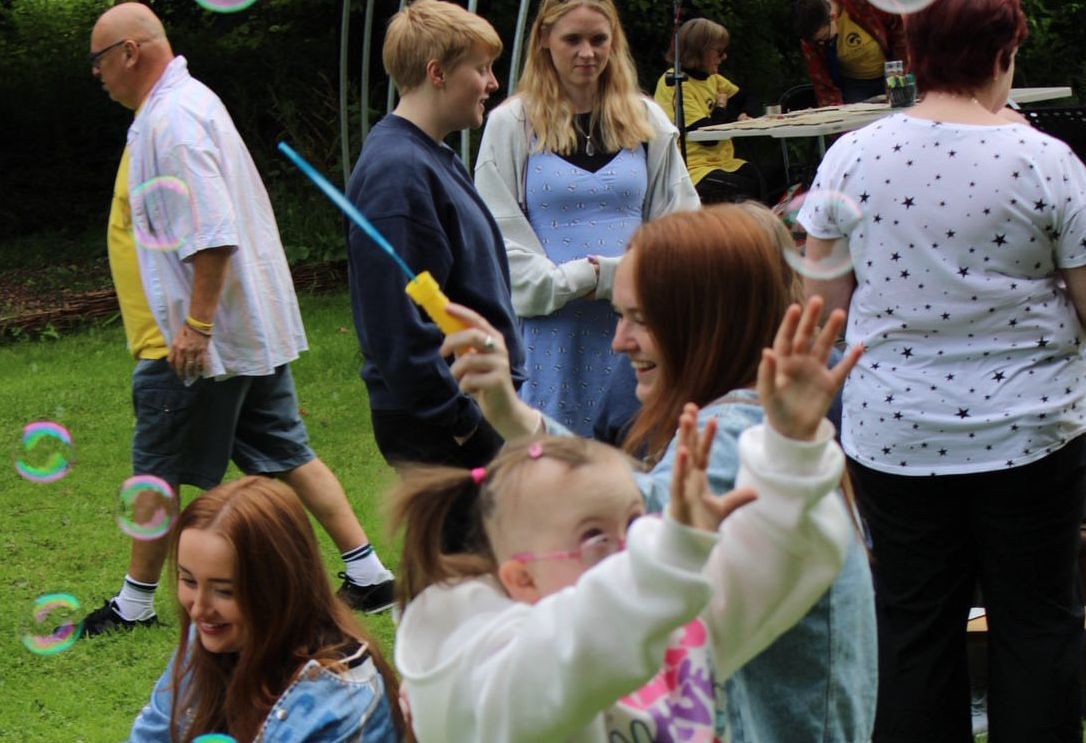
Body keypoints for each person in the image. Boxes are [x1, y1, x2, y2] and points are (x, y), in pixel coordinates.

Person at [441, 203, 878, 742]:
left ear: (708, 325)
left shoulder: (736, 436)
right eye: (621, 315)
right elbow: (636, 501)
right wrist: (512, 413)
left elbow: (638, 538)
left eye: (642, 320)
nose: (618, 341)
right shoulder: (747, 424)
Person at [798, 0, 1086, 739]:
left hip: (895, 435)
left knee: (914, 631)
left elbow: (820, 309)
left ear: (915, 55)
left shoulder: (850, 158)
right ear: (1004, 54)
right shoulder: (1048, 162)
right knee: (1038, 624)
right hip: (1033, 433)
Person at [84, 2, 394, 635]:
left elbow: (213, 230)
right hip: (240, 337)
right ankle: (369, 574)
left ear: (129, 53)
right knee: (287, 451)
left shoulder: (173, 120)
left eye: (98, 62)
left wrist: (196, 328)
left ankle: (134, 605)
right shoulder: (184, 105)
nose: (97, 75)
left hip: (199, 346)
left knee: (157, 471)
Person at [475, 0, 698, 436]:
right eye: (572, 40)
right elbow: (496, 236)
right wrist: (576, 281)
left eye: (599, 39)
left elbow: (681, 222)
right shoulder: (511, 124)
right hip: (552, 334)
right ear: (543, 40)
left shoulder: (646, 118)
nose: (588, 53)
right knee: (561, 467)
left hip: (642, 329)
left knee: (645, 460)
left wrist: (628, 279)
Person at [346, 0, 524, 469]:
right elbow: (395, 322)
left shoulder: (430, 156)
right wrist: (461, 420)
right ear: (437, 73)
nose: (492, 83)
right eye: (481, 68)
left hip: (470, 409)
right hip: (443, 425)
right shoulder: (397, 172)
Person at [127, 477, 402, 742]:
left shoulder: (340, 702)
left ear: (280, 586)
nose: (198, 610)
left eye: (224, 591)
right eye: (188, 580)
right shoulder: (201, 643)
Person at [652, 18, 770, 204]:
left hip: (722, 161)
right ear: (701, 51)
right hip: (693, 167)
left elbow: (748, 97)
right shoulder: (675, 83)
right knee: (743, 188)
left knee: (760, 177)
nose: (724, 57)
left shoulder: (712, 78)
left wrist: (744, 112)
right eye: (719, 52)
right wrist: (721, 108)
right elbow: (708, 137)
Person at [794, 0, 907, 107]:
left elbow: (898, 31)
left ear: (833, 17)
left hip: (891, 70)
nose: (821, 43)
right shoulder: (810, 38)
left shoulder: (863, 5)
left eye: (824, 37)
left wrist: (901, 71)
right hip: (854, 84)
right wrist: (835, 113)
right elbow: (822, 82)